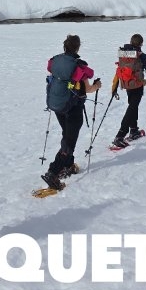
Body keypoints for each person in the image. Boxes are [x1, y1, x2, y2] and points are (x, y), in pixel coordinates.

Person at [42, 35, 101, 191]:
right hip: (73, 108)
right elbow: (87, 89)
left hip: (58, 105)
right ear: (78, 47)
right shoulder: (79, 67)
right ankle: (53, 171)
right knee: (69, 141)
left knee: (67, 134)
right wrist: (97, 86)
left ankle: (68, 164)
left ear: (65, 47)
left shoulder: (54, 61)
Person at [111, 33, 146, 149]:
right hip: (137, 85)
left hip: (126, 84)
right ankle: (120, 135)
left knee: (133, 106)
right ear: (141, 44)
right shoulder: (141, 55)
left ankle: (134, 130)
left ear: (131, 42)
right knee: (132, 107)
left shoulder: (123, 53)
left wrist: (115, 86)